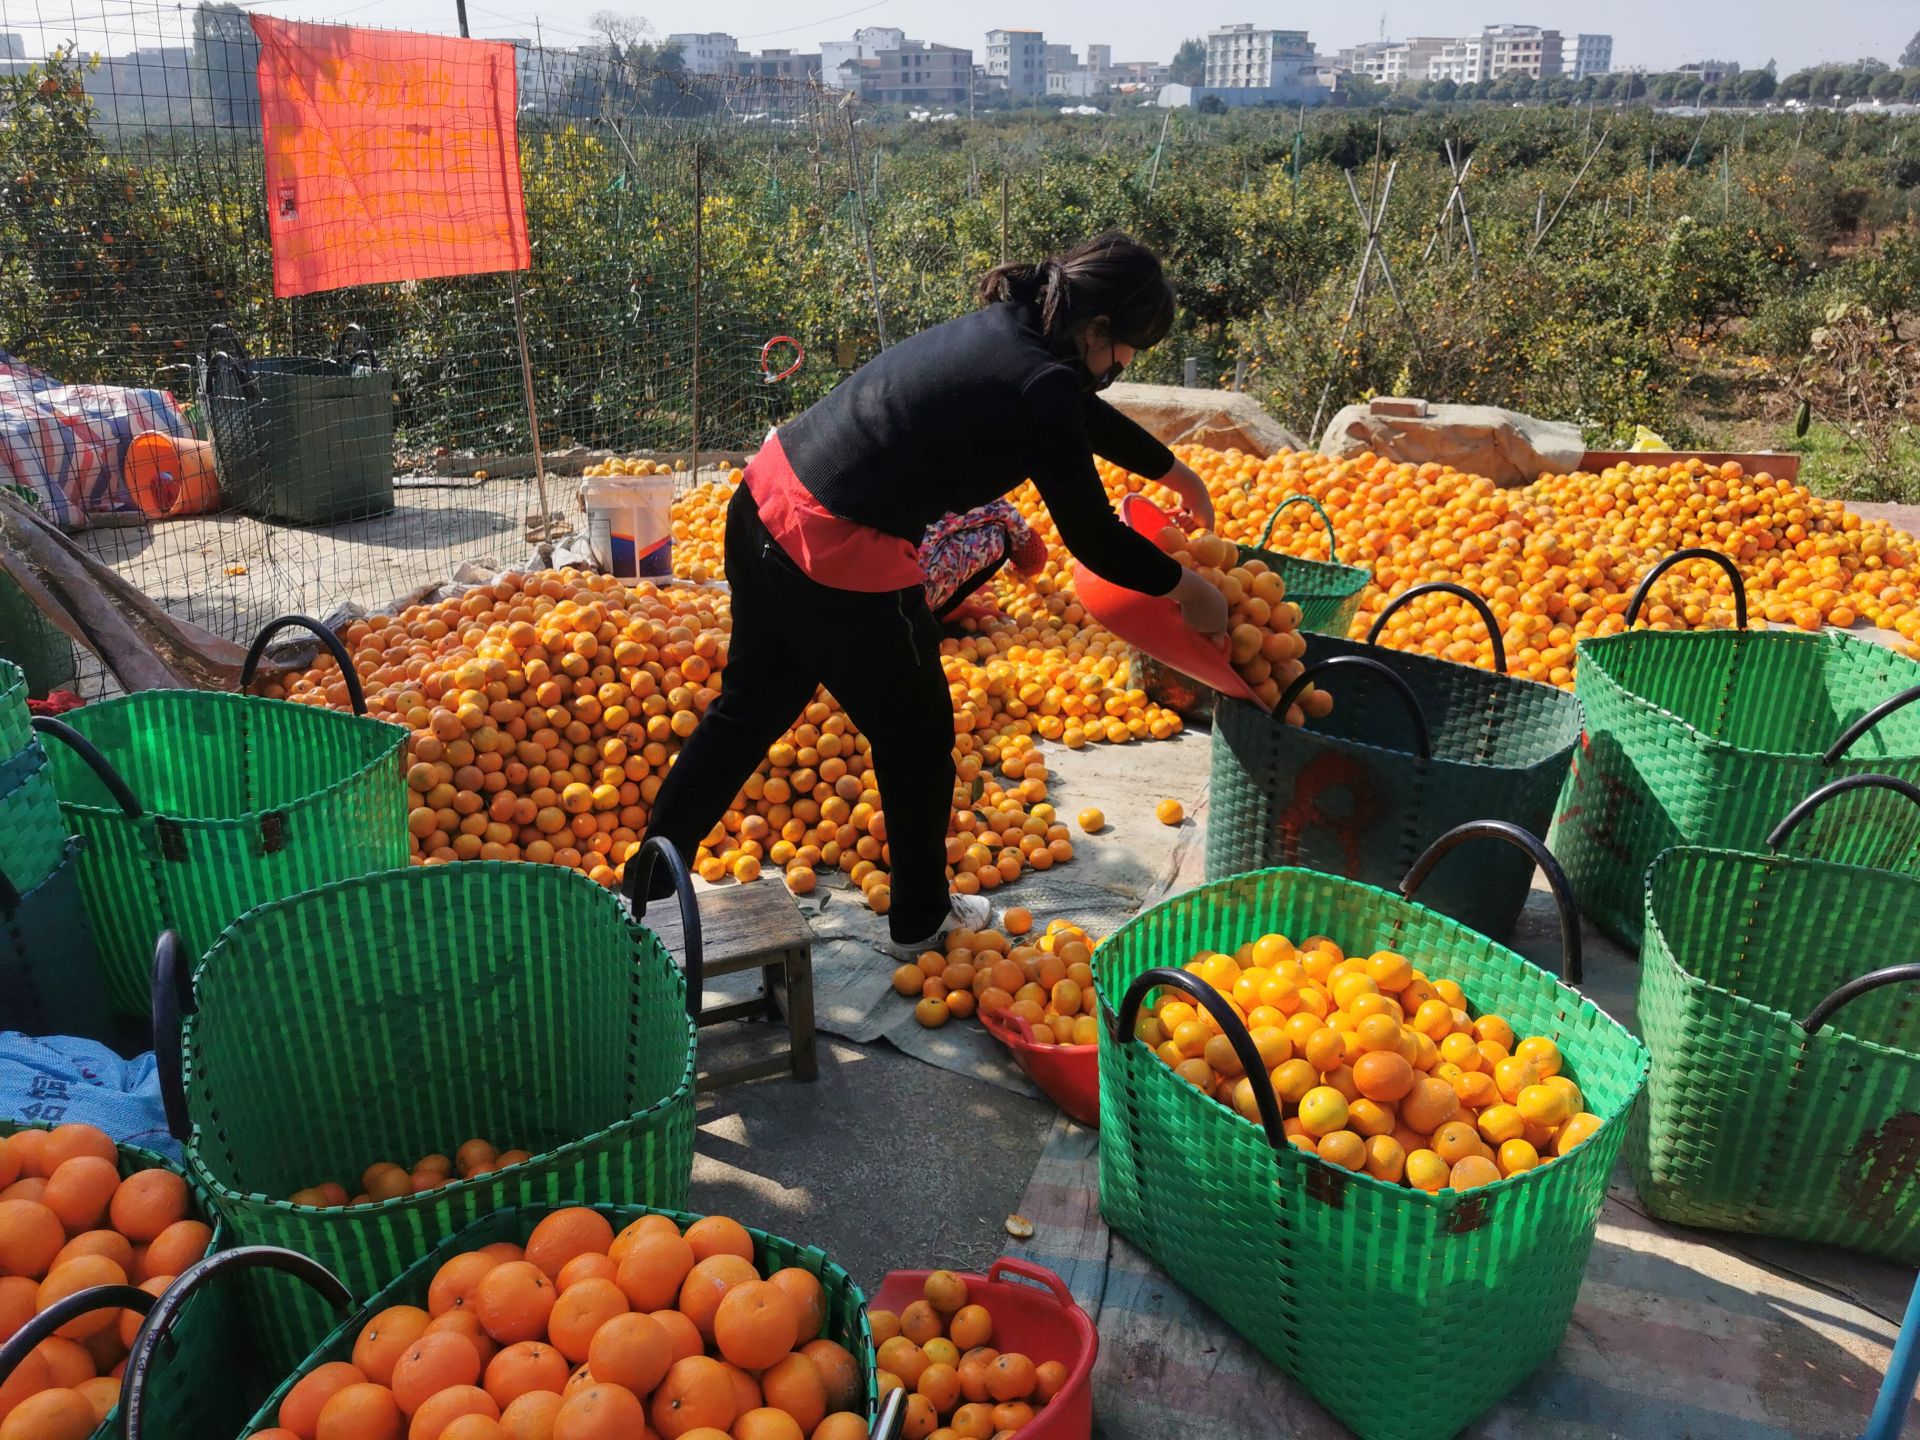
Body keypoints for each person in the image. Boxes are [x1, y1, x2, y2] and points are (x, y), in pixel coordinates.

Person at [643, 231, 1226, 957]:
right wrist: (1187, 589)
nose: (1123, 367)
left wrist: (1175, 470)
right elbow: (1094, 536)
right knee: (919, 739)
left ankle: (640, 894)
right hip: (835, 546)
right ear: (1097, 328)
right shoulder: (1040, 378)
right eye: (1127, 350)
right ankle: (921, 922)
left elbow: (1075, 409)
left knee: (745, 713)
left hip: (763, 502)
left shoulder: (1016, 326)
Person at [918, 499, 1048, 624]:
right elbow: (1021, 539)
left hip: (906, 573)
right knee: (1001, 538)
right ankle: (932, 613)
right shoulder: (995, 509)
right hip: (914, 591)